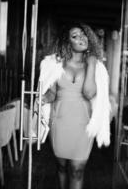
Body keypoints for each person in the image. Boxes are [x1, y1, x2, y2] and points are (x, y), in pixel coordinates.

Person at [38, 23, 111, 189]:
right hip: (59, 121)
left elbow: (89, 93)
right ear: (67, 42)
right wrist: (42, 98)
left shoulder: (96, 67)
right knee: (62, 167)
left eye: (83, 34)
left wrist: (91, 64)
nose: (81, 38)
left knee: (77, 170)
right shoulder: (55, 65)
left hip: (83, 124)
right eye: (75, 36)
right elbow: (52, 93)